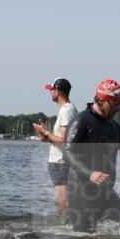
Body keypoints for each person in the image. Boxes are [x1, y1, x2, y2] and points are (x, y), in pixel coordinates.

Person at [63, 79, 120, 233]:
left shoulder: (112, 125)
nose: (119, 109)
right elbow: (67, 153)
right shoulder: (82, 121)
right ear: (103, 101)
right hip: (82, 192)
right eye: (116, 105)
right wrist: (91, 173)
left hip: (105, 190)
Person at [32, 78, 77, 212]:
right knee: (64, 201)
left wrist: (45, 132)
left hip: (60, 162)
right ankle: (67, 226)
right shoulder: (68, 109)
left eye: (51, 90)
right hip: (62, 161)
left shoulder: (66, 110)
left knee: (64, 202)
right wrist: (47, 137)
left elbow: (64, 140)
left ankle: (68, 229)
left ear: (57, 91)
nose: (50, 92)